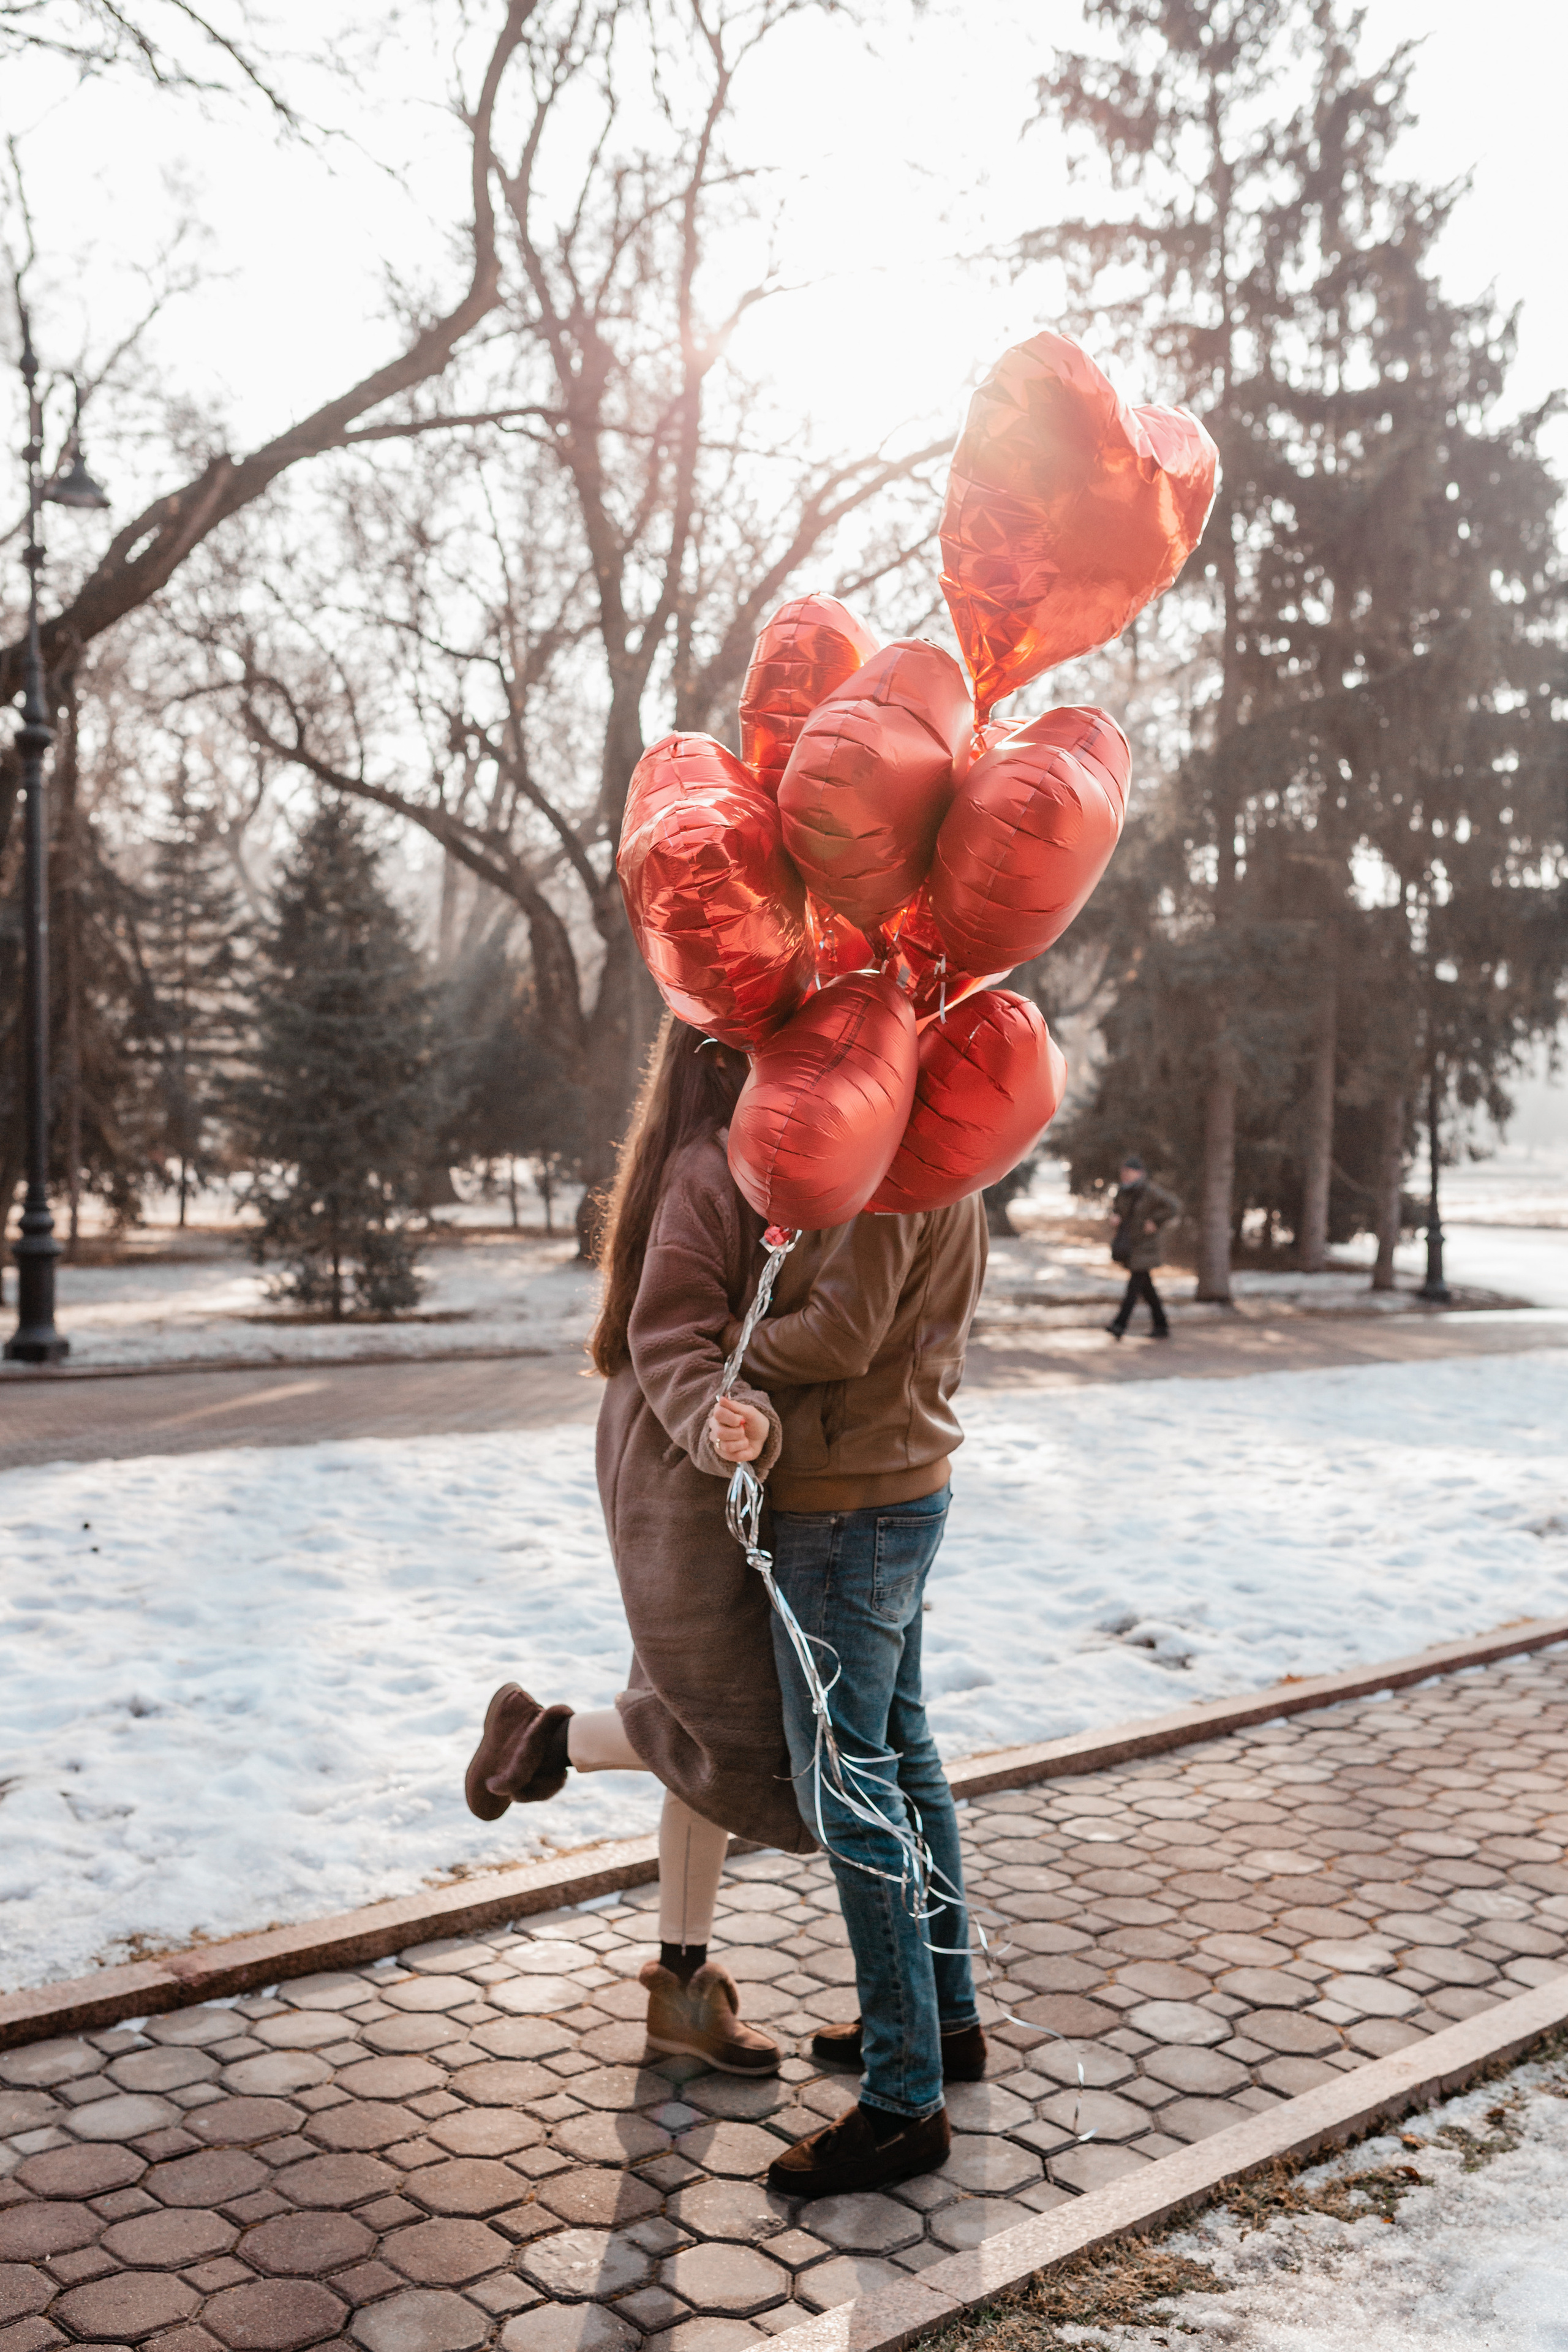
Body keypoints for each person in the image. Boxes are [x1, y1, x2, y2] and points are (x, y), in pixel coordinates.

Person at [461, 1016, 813, 2078]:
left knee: (698, 1731)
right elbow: (668, 1336)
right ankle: (543, 1742)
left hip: (707, 1458)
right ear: (724, 1063)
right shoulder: (709, 1168)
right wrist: (721, 1423)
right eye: (781, 1053)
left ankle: (682, 1988)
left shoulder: (752, 1160)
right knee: (722, 1730)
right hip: (680, 1462)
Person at [709, 1195, 990, 2199]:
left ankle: (905, 2099)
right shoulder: (944, 1147)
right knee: (902, 1754)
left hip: (847, 1508)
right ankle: (941, 2023)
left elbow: (846, 1328)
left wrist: (733, 1352)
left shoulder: (884, 1174)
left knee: (852, 1792)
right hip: (905, 1483)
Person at [1106, 1153, 1182, 1340]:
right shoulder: (1123, 1191)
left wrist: (1155, 1222)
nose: (1125, 1176)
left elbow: (1173, 1207)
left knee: (1134, 1288)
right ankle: (1161, 1324)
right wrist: (1116, 1217)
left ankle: (1120, 1324)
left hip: (1145, 1246)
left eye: (1129, 1172)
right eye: (1123, 1172)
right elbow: (1118, 1209)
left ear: (1139, 1173)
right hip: (1130, 1244)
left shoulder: (1150, 1191)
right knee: (1147, 1288)